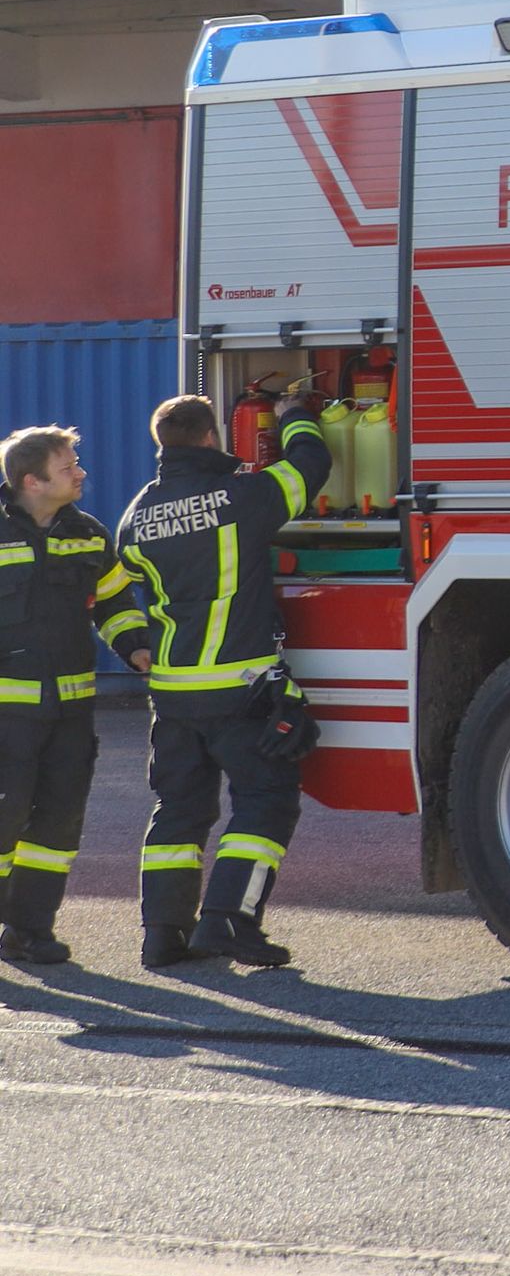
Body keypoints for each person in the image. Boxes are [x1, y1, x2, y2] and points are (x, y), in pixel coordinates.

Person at [114, 388, 330, 970]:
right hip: (239, 691)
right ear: (212, 437)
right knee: (265, 802)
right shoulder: (243, 496)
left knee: (179, 812)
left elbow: (128, 582)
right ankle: (229, 921)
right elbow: (311, 468)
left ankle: (161, 935)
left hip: (174, 693)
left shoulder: (134, 517)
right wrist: (297, 418)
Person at [0, 426, 161, 966]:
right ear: (32, 480)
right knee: (4, 818)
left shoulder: (88, 534)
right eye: (68, 466)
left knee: (59, 823)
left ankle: (28, 931)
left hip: (70, 713)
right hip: (6, 715)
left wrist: (137, 649)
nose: (81, 473)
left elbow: (114, 602)